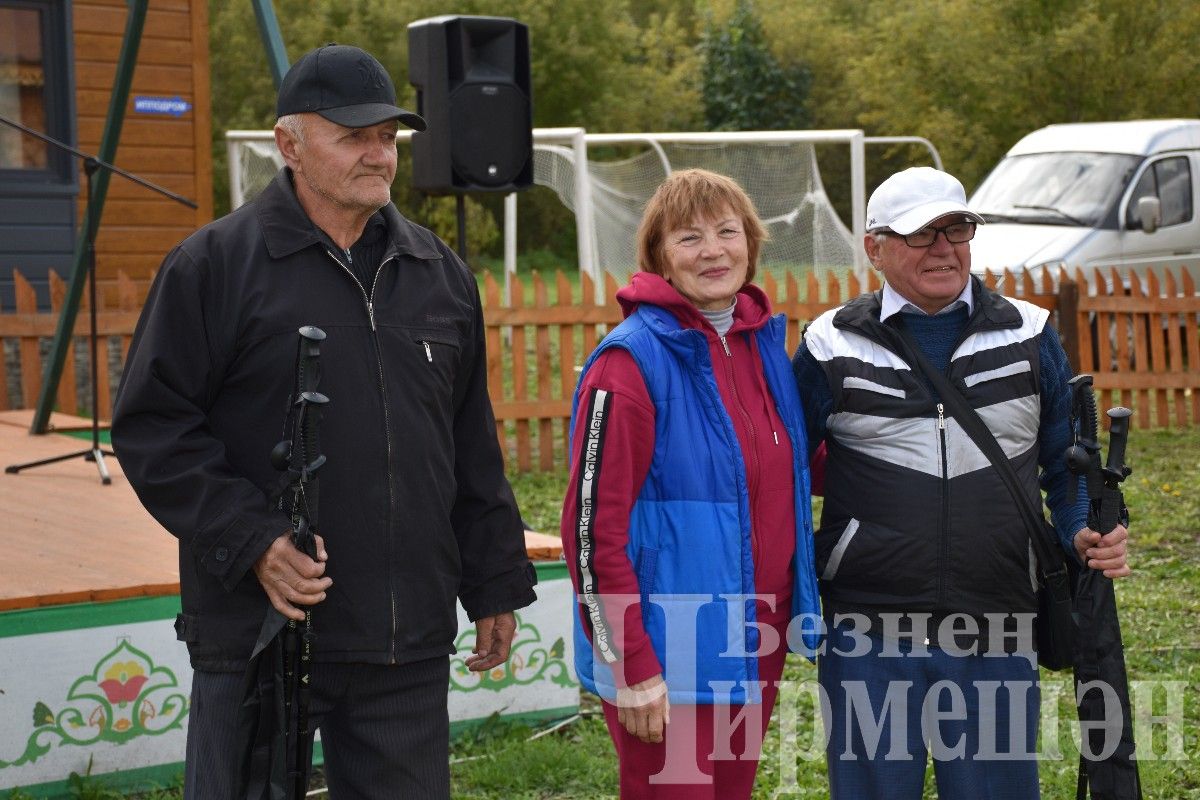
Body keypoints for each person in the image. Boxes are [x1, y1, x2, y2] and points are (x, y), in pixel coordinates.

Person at [112, 44, 536, 799]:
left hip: (403, 640)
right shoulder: (212, 266)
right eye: (353, 136)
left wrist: (495, 579)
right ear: (289, 145)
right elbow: (154, 428)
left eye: (388, 137)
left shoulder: (437, 273)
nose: (378, 154)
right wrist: (253, 543)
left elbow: (468, 443)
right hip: (258, 632)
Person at [792, 166, 1132, 799]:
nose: (943, 247)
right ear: (875, 246)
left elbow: (1065, 465)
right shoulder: (828, 342)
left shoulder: (1030, 335)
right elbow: (782, 475)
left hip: (997, 618)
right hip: (868, 626)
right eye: (921, 233)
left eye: (957, 228)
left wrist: (1087, 528)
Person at [560, 168, 821, 799]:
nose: (713, 251)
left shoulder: (765, 351)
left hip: (755, 640)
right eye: (688, 238)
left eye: (728, 232)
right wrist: (632, 666)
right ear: (659, 259)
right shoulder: (628, 364)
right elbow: (592, 533)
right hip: (668, 650)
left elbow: (795, 473)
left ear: (751, 246)